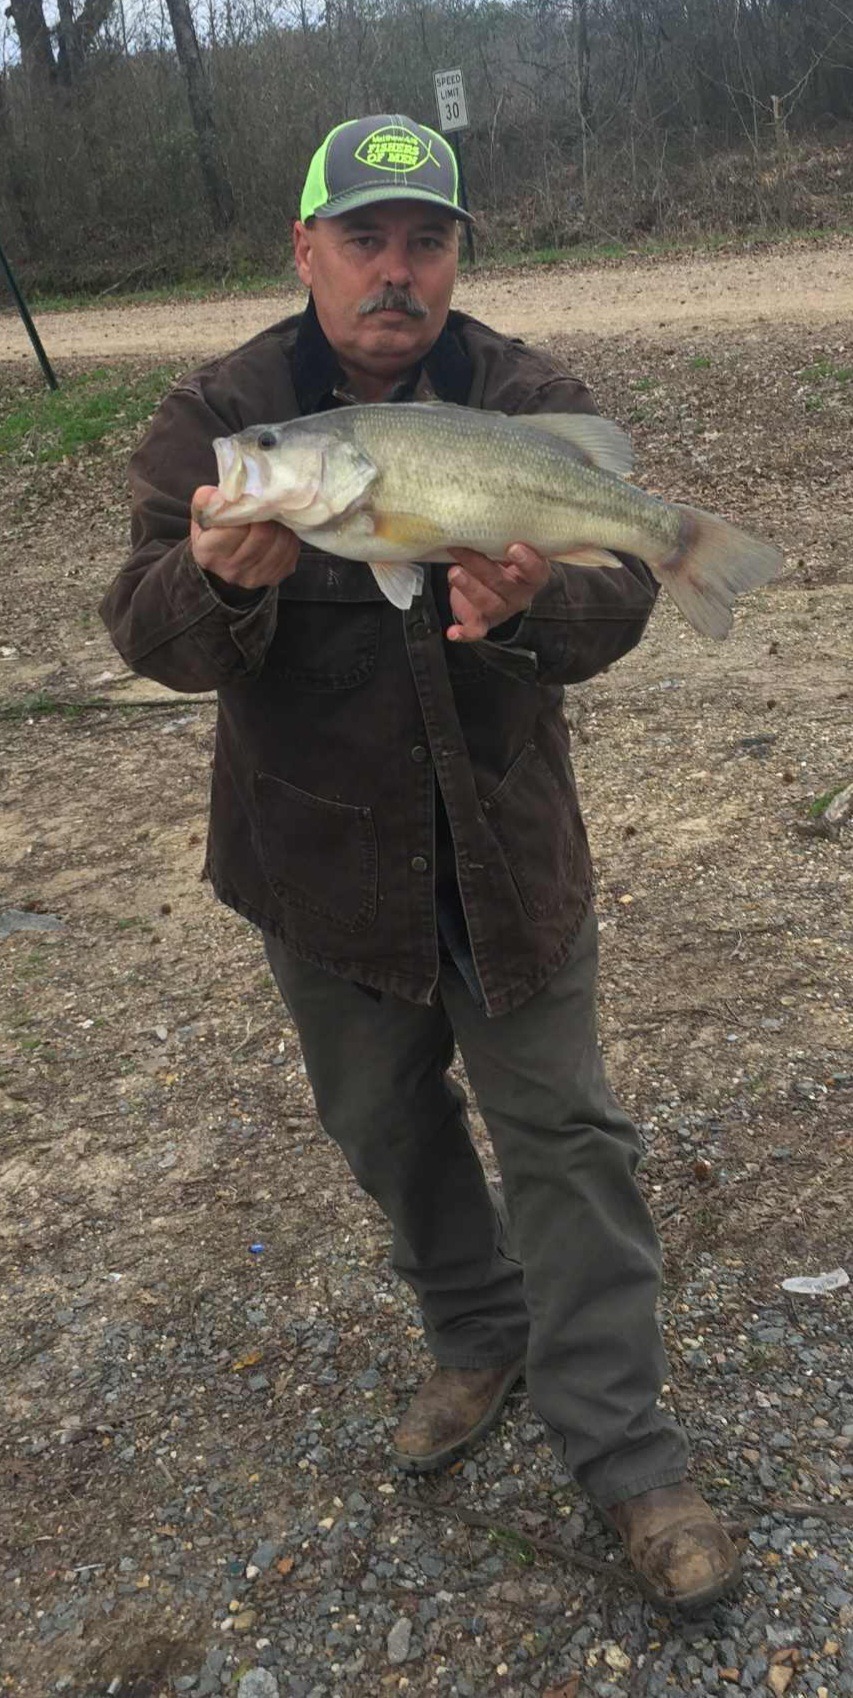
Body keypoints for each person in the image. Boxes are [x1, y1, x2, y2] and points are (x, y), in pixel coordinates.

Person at [101, 113, 740, 1612]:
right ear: (305, 248)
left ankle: (626, 1452)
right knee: (384, 1121)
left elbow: (613, 612)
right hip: (317, 858)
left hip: (506, 847)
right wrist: (212, 582)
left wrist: (535, 602)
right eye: (365, 239)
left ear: (456, 257)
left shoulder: (525, 397)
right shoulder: (225, 418)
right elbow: (144, 629)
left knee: (567, 1134)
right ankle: (476, 1331)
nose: (396, 271)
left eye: (426, 241)